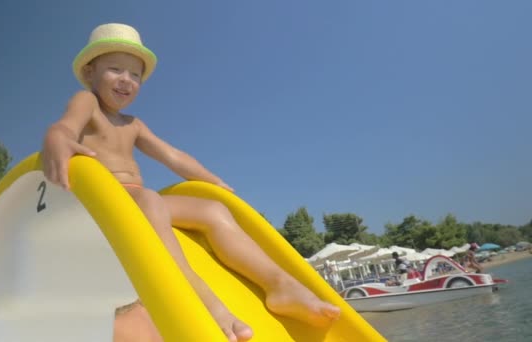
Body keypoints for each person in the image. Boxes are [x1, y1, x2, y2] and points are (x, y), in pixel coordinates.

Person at [41, 23, 340, 342]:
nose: (126, 80)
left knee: (211, 210)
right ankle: (204, 300)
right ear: (90, 73)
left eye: (135, 75)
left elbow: (173, 157)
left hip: (139, 200)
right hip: (105, 207)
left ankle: (279, 285)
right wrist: (58, 137)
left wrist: (217, 184)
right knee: (152, 200)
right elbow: (65, 125)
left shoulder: (133, 124)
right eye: (115, 69)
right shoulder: (86, 102)